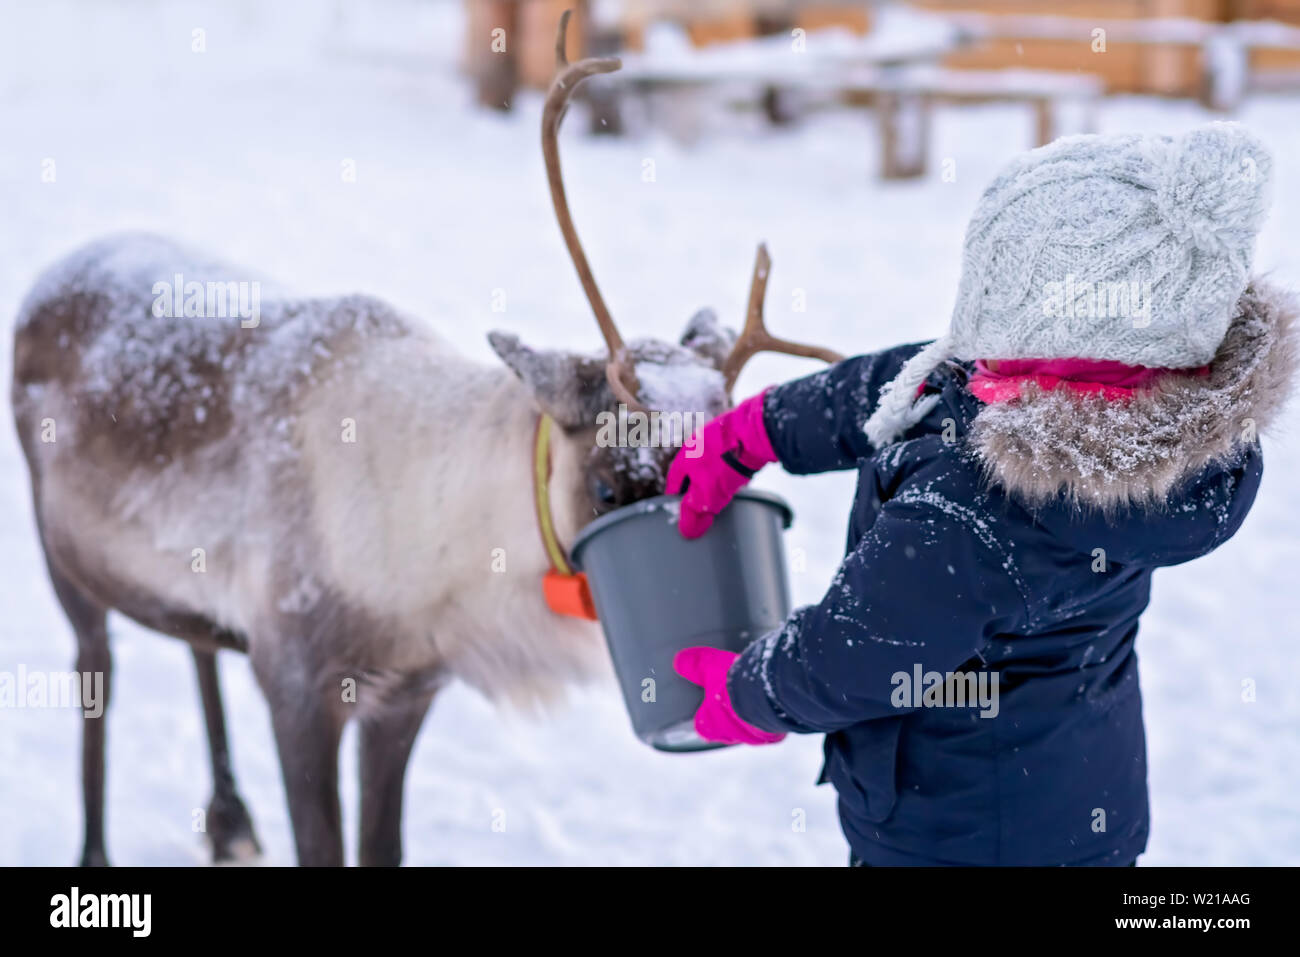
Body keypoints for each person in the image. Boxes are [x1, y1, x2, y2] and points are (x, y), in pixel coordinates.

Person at [667, 123, 1296, 866]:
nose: (971, 334)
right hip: (1073, 800)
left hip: (957, 838)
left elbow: (856, 653)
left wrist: (750, 691)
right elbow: (921, 383)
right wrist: (763, 427)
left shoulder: (979, 514)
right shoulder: (1110, 404)